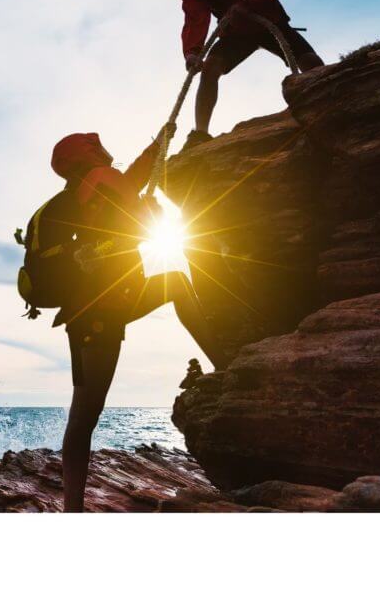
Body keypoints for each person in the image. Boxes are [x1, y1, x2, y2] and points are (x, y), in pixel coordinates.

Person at [49, 127, 229, 512]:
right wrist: (151, 213)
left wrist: (159, 142)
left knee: (84, 409)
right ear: (88, 153)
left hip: (93, 307)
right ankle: (225, 362)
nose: (101, 142)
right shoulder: (102, 179)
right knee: (86, 412)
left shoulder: (82, 189)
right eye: (93, 142)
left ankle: (71, 508)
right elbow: (132, 220)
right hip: (104, 309)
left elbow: (131, 183)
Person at [170, 0, 324, 150]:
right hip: (235, 34)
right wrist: (192, 52)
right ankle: (200, 134)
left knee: (310, 62)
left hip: (269, 20)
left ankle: (327, 100)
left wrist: (248, 2)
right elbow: (194, 15)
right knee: (209, 68)